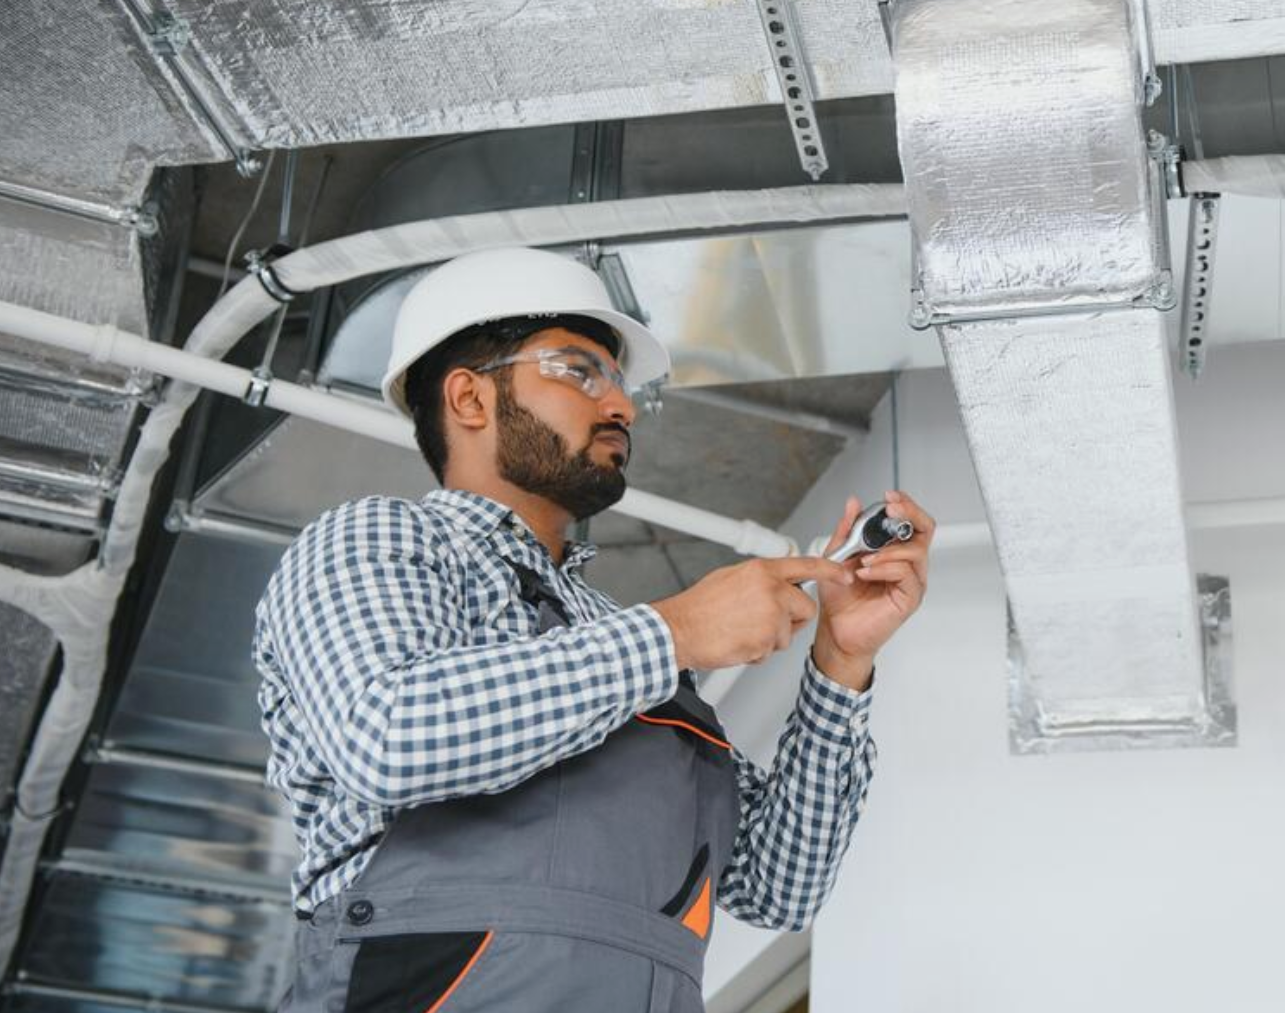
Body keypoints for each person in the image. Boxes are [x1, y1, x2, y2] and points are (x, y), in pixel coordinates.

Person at [254, 246, 933, 1011]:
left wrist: (840, 664)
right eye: (579, 371)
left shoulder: (621, 642)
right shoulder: (375, 540)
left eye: (620, 382)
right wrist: (672, 631)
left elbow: (776, 890)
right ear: (470, 399)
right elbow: (389, 736)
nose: (622, 406)